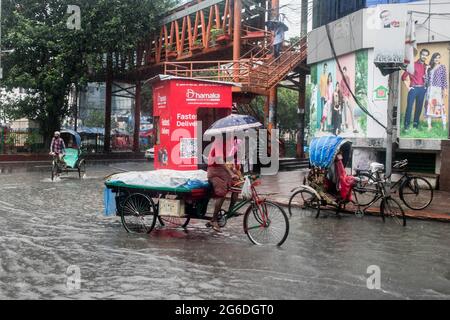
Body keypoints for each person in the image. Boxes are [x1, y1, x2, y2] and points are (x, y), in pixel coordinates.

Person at [206, 135, 241, 232]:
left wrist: (235, 168)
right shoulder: (219, 142)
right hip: (214, 171)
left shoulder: (230, 142)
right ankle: (214, 219)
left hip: (223, 170)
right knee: (222, 192)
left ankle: (231, 210)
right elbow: (220, 160)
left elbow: (231, 158)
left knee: (237, 185)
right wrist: (230, 173)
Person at [402, 48, 429, 130]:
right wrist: (408, 87)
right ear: (420, 54)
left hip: (422, 90)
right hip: (413, 89)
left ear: (427, 57)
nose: (424, 56)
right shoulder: (412, 64)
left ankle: (415, 125)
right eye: (423, 54)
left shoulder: (426, 66)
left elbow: (428, 79)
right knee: (409, 107)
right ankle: (406, 126)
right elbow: (403, 77)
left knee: (419, 108)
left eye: (426, 55)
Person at [425, 52, 448, 131]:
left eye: (438, 57)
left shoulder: (442, 67)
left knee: (441, 106)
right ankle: (429, 126)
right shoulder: (429, 68)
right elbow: (426, 80)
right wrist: (426, 70)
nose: (437, 59)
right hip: (430, 89)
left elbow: (444, 79)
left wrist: (445, 90)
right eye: (435, 57)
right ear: (433, 58)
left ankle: (444, 126)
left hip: (438, 89)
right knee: (429, 107)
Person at [340, 67, 357, 133]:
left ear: (346, 71)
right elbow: (341, 90)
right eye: (343, 72)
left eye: (345, 72)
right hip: (344, 97)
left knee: (351, 110)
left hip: (347, 97)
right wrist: (344, 97)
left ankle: (354, 128)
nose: (344, 73)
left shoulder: (348, 78)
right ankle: (345, 125)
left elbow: (349, 87)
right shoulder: (342, 81)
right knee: (344, 111)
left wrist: (348, 96)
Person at [318, 63, 328, 130]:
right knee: (322, 111)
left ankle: (325, 125)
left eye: (326, 67)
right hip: (322, 96)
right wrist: (322, 94)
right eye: (324, 67)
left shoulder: (327, 76)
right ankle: (322, 125)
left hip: (327, 96)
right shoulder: (321, 76)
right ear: (323, 68)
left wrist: (327, 96)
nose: (325, 69)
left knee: (326, 111)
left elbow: (328, 86)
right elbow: (320, 86)